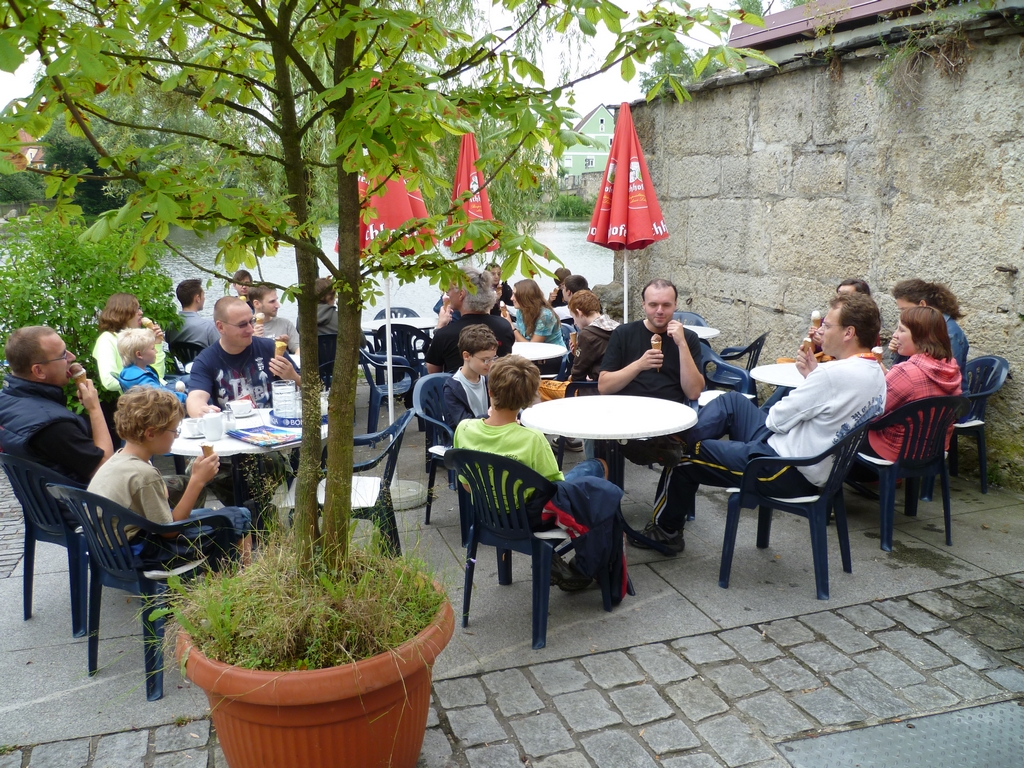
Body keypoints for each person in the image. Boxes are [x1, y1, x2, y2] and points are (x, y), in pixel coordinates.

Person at [638, 292, 887, 553]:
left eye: (828, 325)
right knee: (732, 402)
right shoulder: (876, 373)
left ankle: (665, 532)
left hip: (784, 467)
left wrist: (814, 380)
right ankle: (671, 441)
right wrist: (812, 378)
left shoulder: (831, 375)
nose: (821, 331)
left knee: (684, 458)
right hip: (805, 457)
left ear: (849, 333)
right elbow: (830, 408)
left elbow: (777, 419)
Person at [453, 355, 608, 590]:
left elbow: (466, 485)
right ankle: (588, 563)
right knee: (596, 467)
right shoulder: (532, 439)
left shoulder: (464, 429)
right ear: (527, 400)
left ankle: (554, 560)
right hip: (529, 520)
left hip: (488, 515)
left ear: (490, 392)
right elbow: (555, 490)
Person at [87, 387, 252, 567]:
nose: (176, 435)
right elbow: (169, 531)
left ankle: (222, 572)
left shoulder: (118, 460)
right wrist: (197, 480)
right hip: (142, 553)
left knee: (213, 515)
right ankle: (241, 577)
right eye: (174, 431)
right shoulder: (143, 474)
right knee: (239, 516)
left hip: (113, 550)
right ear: (151, 433)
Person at [0, 326, 114, 484]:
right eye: (63, 355)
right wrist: (94, 408)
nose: (72, 357)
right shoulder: (52, 425)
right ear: (39, 371)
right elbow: (106, 470)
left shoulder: (5, 400)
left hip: (41, 498)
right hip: (79, 499)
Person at [863, 306, 962, 462]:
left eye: (901, 330)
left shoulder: (905, 372)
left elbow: (873, 415)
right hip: (935, 450)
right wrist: (889, 377)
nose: (895, 335)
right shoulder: (951, 367)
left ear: (921, 336)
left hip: (897, 451)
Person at [186, 297, 300, 415]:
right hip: (231, 424)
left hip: (272, 422)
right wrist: (201, 411)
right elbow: (195, 399)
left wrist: (293, 377)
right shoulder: (206, 360)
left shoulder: (270, 348)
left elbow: (307, 388)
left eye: (251, 321)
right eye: (242, 325)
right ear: (220, 327)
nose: (251, 329)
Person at [598, 278, 704, 403]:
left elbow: (694, 393)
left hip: (671, 408)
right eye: (653, 305)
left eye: (666, 305)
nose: (659, 311)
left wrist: (682, 344)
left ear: (675, 304)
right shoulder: (623, 333)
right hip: (629, 405)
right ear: (643, 304)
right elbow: (604, 387)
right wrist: (639, 365)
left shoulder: (688, 338)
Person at [426, 265, 514, 373]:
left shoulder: (444, 335)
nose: (447, 294)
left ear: (461, 294)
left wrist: (440, 326)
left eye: (449, 289)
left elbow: (433, 371)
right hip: (497, 382)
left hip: (457, 384)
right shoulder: (504, 327)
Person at [890, 279, 968, 378]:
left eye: (905, 310)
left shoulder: (949, 333)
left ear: (922, 304)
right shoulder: (919, 325)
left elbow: (947, 374)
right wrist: (898, 349)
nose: (903, 315)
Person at [93, 293, 166, 393]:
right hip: (142, 396)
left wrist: (157, 343)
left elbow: (158, 375)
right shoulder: (107, 339)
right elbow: (109, 381)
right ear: (123, 313)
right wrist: (143, 383)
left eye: (140, 308)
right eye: (136, 309)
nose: (141, 312)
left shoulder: (138, 337)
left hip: (159, 391)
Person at [443, 326, 496, 428]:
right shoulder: (452, 388)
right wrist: (491, 416)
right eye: (485, 360)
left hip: (489, 430)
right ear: (466, 356)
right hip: (467, 435)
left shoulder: (488, 378)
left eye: (493, 358)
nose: (490, 364)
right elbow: (464, 424)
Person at [116, 329, 187, 403]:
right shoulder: (143, 381)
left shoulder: (130, 371)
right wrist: (185, 397)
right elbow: (164, 397)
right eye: (153, 348)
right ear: (139, 354)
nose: (156, 351)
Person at [567, 289, 618, 382]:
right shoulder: (618, 327)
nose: (574, 323)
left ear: (579, 312)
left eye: (574, 317)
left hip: (597, 384)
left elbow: (577, 374)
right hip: (618, 382)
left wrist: (570, 378)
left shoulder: (587, 335)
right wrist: (578, 352)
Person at [509, 279, 566, 347]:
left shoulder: (545, 316)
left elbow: (533, 347)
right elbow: (520, 338)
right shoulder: (520, 311)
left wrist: (511, 326)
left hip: (553, 351)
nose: (511, 298)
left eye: (515, 295)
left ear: (525, 297)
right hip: (529, 350)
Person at [166, 279, 219, 349]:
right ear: (197, 298)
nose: (204, 298)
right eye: (203, 295)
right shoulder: (209, 327)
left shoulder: (170, 326)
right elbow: (220, 351)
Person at [249, 285, 300, 355]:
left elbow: (299, 349)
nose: (277, 305)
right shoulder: (246, 327)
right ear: (257, 304)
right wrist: (251, 339)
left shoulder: (285, 324)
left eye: (276, 300)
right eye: (272, 301)